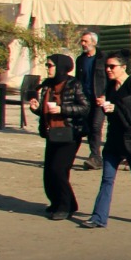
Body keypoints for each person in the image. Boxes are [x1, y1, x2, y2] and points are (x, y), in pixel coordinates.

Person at [83, 53, 131, 228]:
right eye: (107, 67)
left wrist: (115, 107)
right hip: (114, 140)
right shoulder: (110, 85)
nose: (108, 70)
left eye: (112, 66)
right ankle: (98, 218)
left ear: (123, 67)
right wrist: (104, 104)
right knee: (107, 178)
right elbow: (112, 111)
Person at [28, 52, 87, 219]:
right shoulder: (47, 85)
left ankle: (64, 206)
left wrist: (62, 109)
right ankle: (59, 202)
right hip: (52, 133)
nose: (47, 69)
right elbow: (44, 111)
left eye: (50, 65)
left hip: (70, 133)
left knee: (58, 170)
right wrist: (36, 108)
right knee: (49, 172)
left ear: (60, 67)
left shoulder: (73, 84)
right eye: (47, 65)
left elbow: (84, 108)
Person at [73, 30, 109, 168]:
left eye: (85, 41)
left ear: (94, 42)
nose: (83, 44)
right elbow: (78, 80)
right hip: (85, 99)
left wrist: (105, 95)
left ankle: (96, 156)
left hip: (99, 99)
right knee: (87, 127)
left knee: (96, 126)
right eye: (82, 41)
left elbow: (110, 79)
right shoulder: (80, 60)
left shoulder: (103, 58)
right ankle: (95, 156)